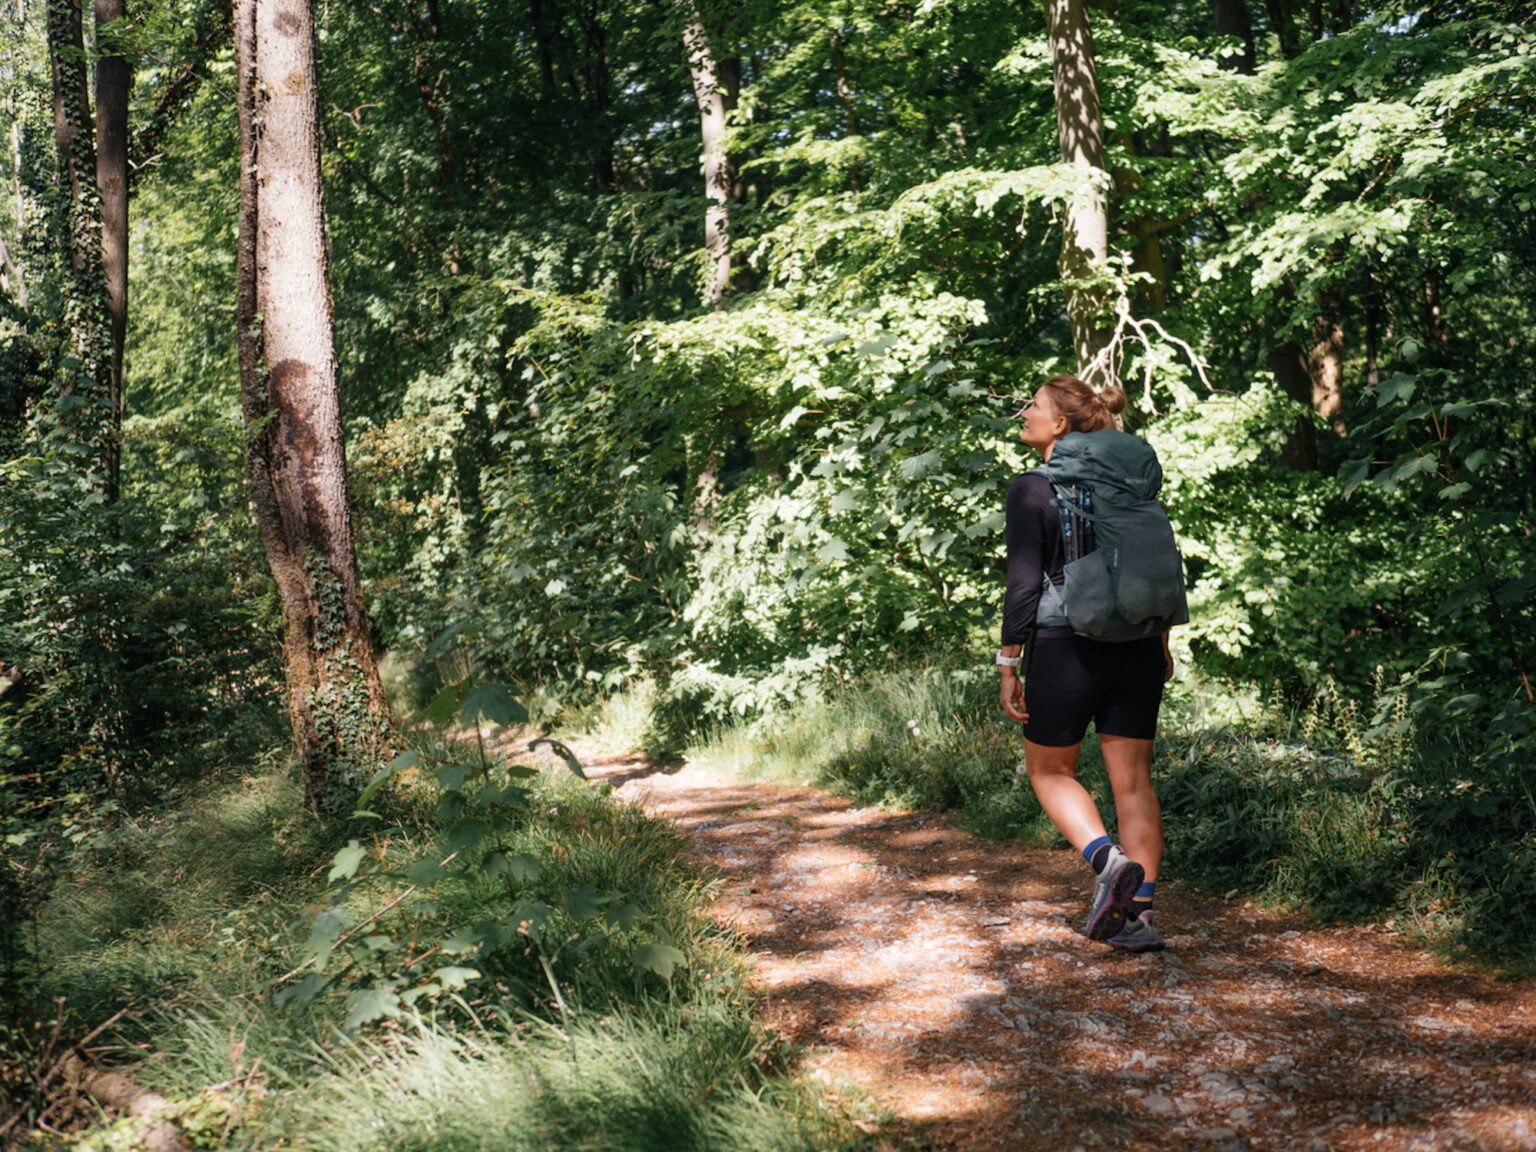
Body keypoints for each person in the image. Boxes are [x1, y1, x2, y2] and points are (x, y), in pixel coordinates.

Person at [997, 375, 1175, 953]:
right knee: (1134, 782)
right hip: (1141, 643)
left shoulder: (1033, 487)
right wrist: (1162, 639)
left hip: (1066, 643)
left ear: (1062, 426)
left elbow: (1024, 584)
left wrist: (1009, 660)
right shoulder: (1130, 485)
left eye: (1036, 406)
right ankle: (1138, 916)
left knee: (1050, 771)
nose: (1025, 412)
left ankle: (1107, 861)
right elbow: (1150, 565)